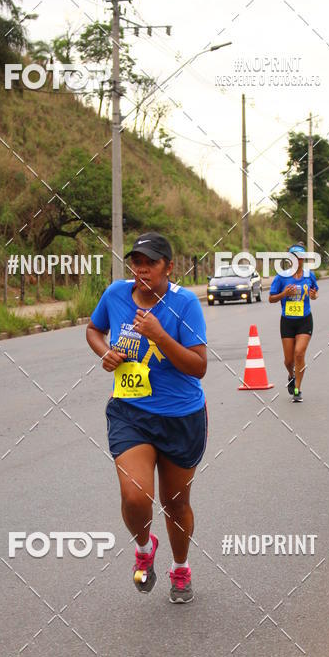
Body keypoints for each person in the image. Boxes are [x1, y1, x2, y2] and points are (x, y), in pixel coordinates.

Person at [86, 232, 207, 603]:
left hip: (180, 416)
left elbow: (198, 366)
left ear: (168, 267)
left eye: (150, 262)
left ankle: (181, 568)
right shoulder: (116, 295)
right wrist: (105, 353)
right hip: (130, 412)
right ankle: (144, 545)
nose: (141, 269)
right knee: (135, 495)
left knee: (175, 504)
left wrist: (159, 335)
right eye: (136, 261)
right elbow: (93, 329)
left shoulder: (184, 304)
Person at [268, 243, 319, 402]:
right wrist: (284, 293)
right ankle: (291, 375)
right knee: (289, 360)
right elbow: (271, 298)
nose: (298, 260)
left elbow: (315, 292)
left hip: (304, 320)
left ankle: (297, 389)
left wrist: (313, 295)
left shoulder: (309, 275)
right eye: (294, 257)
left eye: (300, 257)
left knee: (299, 353)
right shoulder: (281, 277)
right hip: (287, 322)